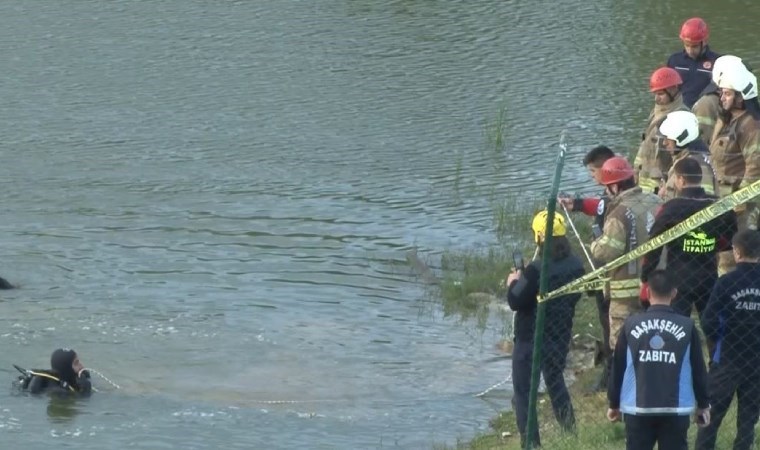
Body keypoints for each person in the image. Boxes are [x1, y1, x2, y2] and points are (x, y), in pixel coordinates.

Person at [506, 210, 585, 448]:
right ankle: (570, 432)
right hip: (559, 334)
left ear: (539, 237)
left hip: (531, 337)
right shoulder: (577, 264)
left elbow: (515, 302)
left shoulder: (535, 270)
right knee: (555, 380)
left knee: (524, 392)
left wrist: (513, 283)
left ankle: (531, 443)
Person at [607, 269, 711, 450]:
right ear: (674, 293)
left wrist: (613, 403)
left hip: (637, 408)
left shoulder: (630, 324)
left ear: (647, 292)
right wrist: (703, 404)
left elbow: (618, 366)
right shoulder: (687, 326)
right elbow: (698, 368)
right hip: (675, 410)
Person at [641, 157, 737, 318]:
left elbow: (654, 244)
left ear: (681, 179)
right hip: (708, 274)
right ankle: (713, 342)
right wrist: (711, 244)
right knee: (711, 323)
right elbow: (730, 237)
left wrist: (646, 276)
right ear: (699, 178)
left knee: (677, 323)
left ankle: (683, 341)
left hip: (679, 277)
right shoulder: (719, 205)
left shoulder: (671, 208)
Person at [696, 230, 760, 450]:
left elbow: (708, 321)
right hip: (757, 359)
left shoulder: (727, 282)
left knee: (710, 415)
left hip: (728, 357)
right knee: (748, 420)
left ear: (736, 252)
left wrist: (719, 340)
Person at [557, 145, 615, 390]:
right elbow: (600, 206)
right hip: (606, 270)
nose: (592, 176)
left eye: (593, 171)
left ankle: (611, 375)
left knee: (611, 324)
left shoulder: (619, 196)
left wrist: (597, 249)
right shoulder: (610, 193)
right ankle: (609, 372)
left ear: (606, 168)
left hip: (614, 273)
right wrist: (577, 204)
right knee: (606, 322)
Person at [591, 156, 661, 349]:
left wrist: (595, 244)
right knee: (653, 343)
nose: (606, 191)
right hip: (657, 286)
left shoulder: (619, 212)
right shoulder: (656, 201)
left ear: (615, 187)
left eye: (607, 187)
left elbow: (607, 251)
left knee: (622, 347)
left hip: (625, 295)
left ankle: (622, 378)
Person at [709, 56, 760, 274]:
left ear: (741, 97)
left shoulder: (749, 125)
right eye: (722, 92)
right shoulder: (728, 120)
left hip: (741, 205)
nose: (722, 97)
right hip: (723, 201)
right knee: (724, 255)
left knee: (740, 256)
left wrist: (739, 203)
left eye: (727, 93)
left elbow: (755, 168)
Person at [634, 67, 689, 194]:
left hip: (662, 187)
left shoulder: (682, 117)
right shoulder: (655, 113)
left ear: (673, 90)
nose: (656, 99)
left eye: (660, 94)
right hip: (644, 184)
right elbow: (644, 144)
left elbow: (683, 157)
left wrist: (670, 185)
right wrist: (636, 170)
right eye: (655, 94)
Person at [656, 110, 717, 200]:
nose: (664, 143)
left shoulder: (697, 166)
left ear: (682, 137)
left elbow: (703, 203)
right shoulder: (684, 160)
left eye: (668, 138)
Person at [667, 17, 720, 108]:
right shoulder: (674, 61)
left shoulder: (718, 62)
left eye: (694, 46)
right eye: (687, 45)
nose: (690, 50)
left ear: (704, 42)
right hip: (679, 111)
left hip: (706, 111)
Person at [16, 348, 92, 395]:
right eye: (76, 363)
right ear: (66, 368)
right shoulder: (55, 391)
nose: (81, 366)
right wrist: (85, 393)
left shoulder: (79, 379)